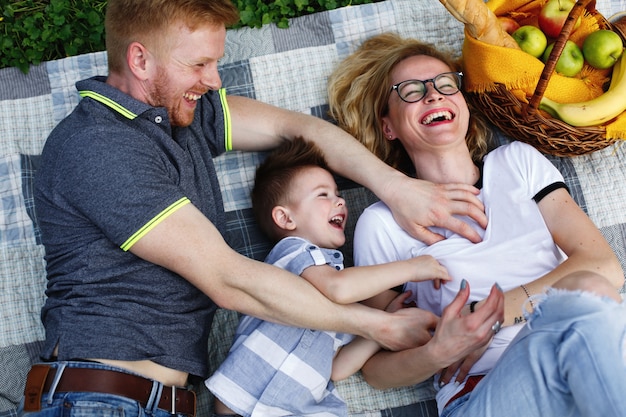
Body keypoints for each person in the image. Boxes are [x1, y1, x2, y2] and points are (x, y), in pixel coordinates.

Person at [18, 1, 501, 416]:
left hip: (156, 399)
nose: (213, 80)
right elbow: (230, 280)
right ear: (140, 60)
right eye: (199, 65)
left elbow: (304, 132)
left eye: (216, 64)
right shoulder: (99, 145)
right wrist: (378, 325)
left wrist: (397, 189)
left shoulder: (186, 115)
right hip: (99, 397)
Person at [326, 32, 626, 416]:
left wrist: (487, 317)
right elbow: (377, 371)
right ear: (389, 128)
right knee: (586, 293)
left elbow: (604, 266)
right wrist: (438, 351)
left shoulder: (517, 162)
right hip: (483, 394)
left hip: (581, 362)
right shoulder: (381, 225)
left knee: (591, 292)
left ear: (464, 106)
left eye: (445, 84)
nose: (433, 95)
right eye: (411, 91)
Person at [206, 137, 450, 416]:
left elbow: (337, 368)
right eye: (323, 195)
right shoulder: (291, 252)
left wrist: (383, 329)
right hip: (239, 401)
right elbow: (338, 288)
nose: (340, 201)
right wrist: (413, 267)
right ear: (286, 219)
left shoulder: (344, 297)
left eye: (337, 193)